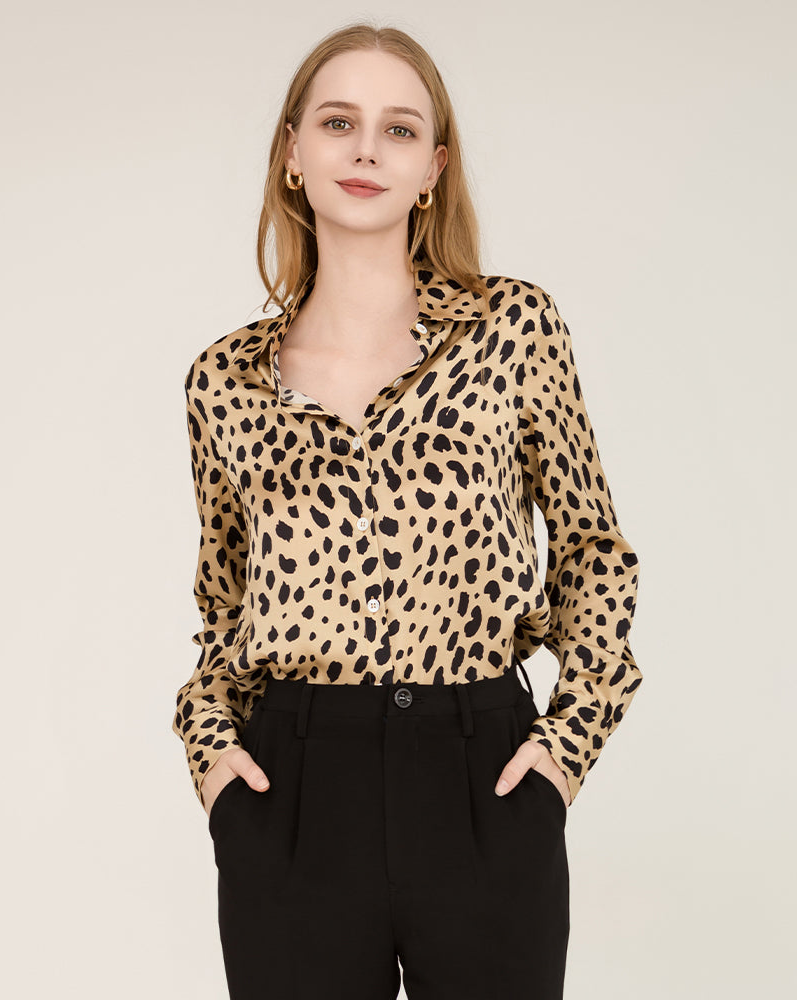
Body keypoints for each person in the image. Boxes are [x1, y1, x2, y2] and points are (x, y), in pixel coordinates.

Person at [172, 20, 642, 1000]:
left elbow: (590, 547)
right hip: (293, 796)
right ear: (292, 152)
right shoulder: (225, 380)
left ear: (432, 168)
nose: (365, 150)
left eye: (397, 129)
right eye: (337, 122)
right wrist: (214, 758)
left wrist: (565, 748)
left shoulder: (512, 329)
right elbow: (224, 601)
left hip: (481, 781)